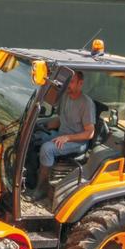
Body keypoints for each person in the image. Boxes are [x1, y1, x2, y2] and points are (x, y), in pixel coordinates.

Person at [27, 70, 95, 200]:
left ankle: (42, 188)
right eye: (67, 81)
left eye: (72, 82)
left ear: (80, 84)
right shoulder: (65, 97)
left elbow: (89, 133)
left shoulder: (86, 104)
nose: (68, 84)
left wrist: (68, 138)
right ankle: (30, 177)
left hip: (77, 142)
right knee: (34, 137)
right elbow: (60, 119)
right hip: (61, 134)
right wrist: (42, 126)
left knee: (47, 148)